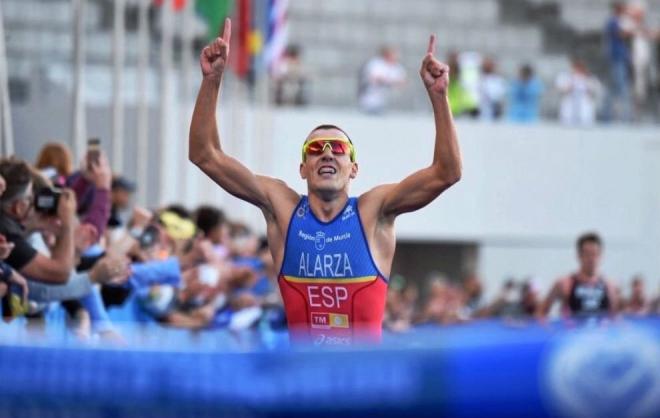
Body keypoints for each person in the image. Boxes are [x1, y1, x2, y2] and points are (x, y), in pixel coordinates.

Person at [189, 19, 461, 345]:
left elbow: (447, 172)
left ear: (354, 169)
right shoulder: (283, 208)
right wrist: (212, 80)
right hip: (306, 389)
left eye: (339, 149)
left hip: (362, 389)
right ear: (303, 168)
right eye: (316, 149)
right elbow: (205, 154)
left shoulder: (374, 212)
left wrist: (439, 97)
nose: (328, 154)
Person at [538, 232, 619, 320]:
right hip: (573, 332)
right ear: (579, 255)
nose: (591, 259)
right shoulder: (564, 284)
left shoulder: (609, 286)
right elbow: (541, 313)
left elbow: (615, 318)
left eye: (594, 254)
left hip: (600, 333)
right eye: (587, 254)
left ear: (601, 256)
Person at [603, 1, 633, 122]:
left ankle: (607, 114)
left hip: (620, 58)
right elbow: (621, 34)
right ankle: (625, 116)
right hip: (616, 58)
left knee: (614, 87)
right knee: (622, 87)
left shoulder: (618, 21)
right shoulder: (613, 21)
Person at [358, 45, 407, 114]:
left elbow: (402, 82)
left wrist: (389, 81)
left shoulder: (397, 67)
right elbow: (376, 79)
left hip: (388, 102)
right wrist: (391, 81)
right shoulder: (376, 64)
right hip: (371, 100)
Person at [555, 58, 602, 126]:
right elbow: (560, 88)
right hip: (569, 110)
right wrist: (570, 86)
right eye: (576, 68)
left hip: (584, 110)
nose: (578, 71)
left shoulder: (590, 78)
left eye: (580, 68)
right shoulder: (566, 77)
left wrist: (587, 88)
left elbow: (596, 90)